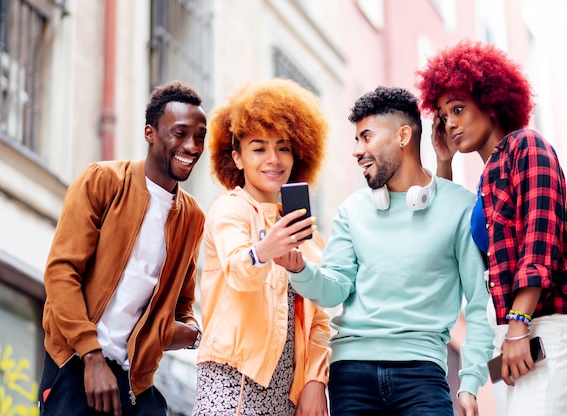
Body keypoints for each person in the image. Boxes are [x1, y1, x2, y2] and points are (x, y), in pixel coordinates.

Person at [416, 39, 567, 416]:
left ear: (490, 102)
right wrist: (443, 162)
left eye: (458, 109)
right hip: (512, 335)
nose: (450, 122)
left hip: (548, 321)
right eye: (443, 115)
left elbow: (540, 241)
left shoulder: (527, 147)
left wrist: (519, 323)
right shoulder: (486, 181)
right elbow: (443, 236)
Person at [281, 86, 494, 416]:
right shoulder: (352, 210)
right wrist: (300, 270)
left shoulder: (460, 206)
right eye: (356, 140)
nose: (357, 150)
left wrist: (471, 381)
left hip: (422, 374)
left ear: (403, 136)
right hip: (351, 374)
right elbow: (334, 287)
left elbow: (480, 306)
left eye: (366, 137)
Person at [38, 81, 207, 416]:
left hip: (135, 382)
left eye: (200, 136)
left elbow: (183, 303)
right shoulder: (102, 181)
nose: (191, 146)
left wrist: (190, 332)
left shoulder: (192, 217)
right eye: (180, 133)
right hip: (75, 365)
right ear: (150, 132)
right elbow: (61, 273)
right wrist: (91, 356)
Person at [192, 78, 331, 416]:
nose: (274, 159)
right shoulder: (230, 209)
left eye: (283, 147)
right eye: (259, 148)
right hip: (232, 381)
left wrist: (315, 382)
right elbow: (240, 272)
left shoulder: (305, 231)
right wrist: (264, 251)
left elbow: (321, 319)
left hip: (287, 393)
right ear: (237, 158)